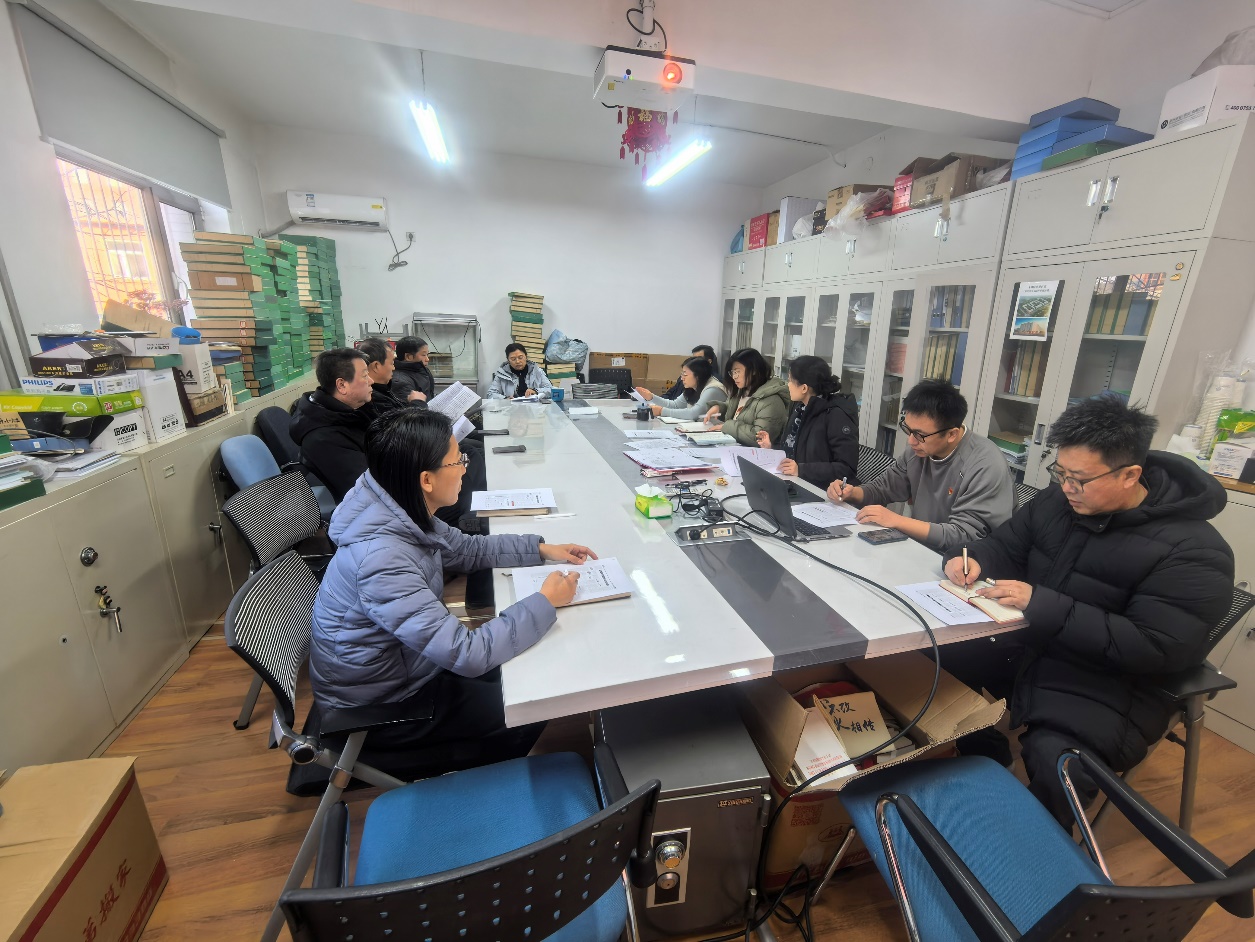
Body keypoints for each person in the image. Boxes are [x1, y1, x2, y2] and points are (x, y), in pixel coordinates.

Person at [937, 395, 1234, 828]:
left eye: (1079, 479)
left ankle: (1039, 850)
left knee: (1061, 764)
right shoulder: (1057, 503)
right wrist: (973, 559)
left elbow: (1156, 647)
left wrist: (1043, 605)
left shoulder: (1194, 551)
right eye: (1060, 473)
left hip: (1110, 681)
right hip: (1033, 645)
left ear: (1130, 475)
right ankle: (985, 755)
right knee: (932, 659)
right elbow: (1006, 545)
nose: (1066, 488)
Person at [308, 408, 598, 782]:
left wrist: (541, 549)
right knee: (533, 696)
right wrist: (545, 601)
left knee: (526, 664)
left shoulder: (396, 506)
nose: (464, 468)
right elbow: (466, 654)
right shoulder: (381, 560)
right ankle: (485, 785)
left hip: (404, 670)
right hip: (384, 708)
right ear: (426, 479)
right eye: (457, 460)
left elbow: (467, 549)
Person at [826, 379, 1013, 555]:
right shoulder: (919, 451)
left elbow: (964, 535)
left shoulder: (985, 464)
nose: (911, 441)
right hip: (922, 550)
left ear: (951, 434)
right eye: (907, 429)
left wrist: (896, 520)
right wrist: (851, 493)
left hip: (966, 563)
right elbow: (883, 488)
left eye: (919, 434)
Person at [755, 355, 858, 489]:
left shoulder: (836, 415)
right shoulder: (800, 407)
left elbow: (846, 469)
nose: (788, 385)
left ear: (804, 388)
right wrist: (771, 449)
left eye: (790, 381)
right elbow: (794, 451)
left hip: (821, 491)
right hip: (795, 481)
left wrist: (801, 470)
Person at [289, 348, 374, 503]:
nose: (371, 381)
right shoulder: (323, 438)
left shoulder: (351, 411)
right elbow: (370, 490)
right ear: (342, 385)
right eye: (364, 376)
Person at [702, 348, 791, 446]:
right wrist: (720, 408)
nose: (734, 377)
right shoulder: (742, 390)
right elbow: (737, 412)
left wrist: (726, 426)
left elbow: (759, 438)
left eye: (738, 371)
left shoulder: (772, 400)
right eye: (732, 372)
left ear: (754, 370)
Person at [358, 337, 423, 420]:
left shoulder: (383, 391)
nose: (394, 368)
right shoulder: (372, 399)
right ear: (376, 366)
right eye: (392, 363)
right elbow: (403, 425)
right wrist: (417, 403)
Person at [644, 356, 727, 421]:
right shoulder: (693, 387)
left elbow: (694, 413)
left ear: (698, 375)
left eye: (685, 374)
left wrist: (661, 411)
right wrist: (651, 397)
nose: (682, 378)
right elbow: (675, 405)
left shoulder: (713, 389)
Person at [637, 345, 720, 403]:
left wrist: (661, 409)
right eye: (693, 358)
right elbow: (673, 400)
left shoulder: (712, 385)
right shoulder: (687, 379)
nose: (694, 362)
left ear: (709, 362)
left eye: (698, 359)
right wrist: (652, 398)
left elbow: (693, 412)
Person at [487, 343, 552, 400]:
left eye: (520, 357)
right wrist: (504, 399)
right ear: (508, 360)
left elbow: (551, 390)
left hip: (534, 408)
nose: (517, 361)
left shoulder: (537, 371)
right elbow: (490, 394)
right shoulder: (502, 374)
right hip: (510, 408)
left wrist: (536, 391)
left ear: (526, 357)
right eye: (513, 359)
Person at [390, 335, 434, 403]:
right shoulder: (399, 381)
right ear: (408, 357)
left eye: (427, 355)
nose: (427, 359)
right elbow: (410, 408)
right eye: (423, 355)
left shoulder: (423, 370)